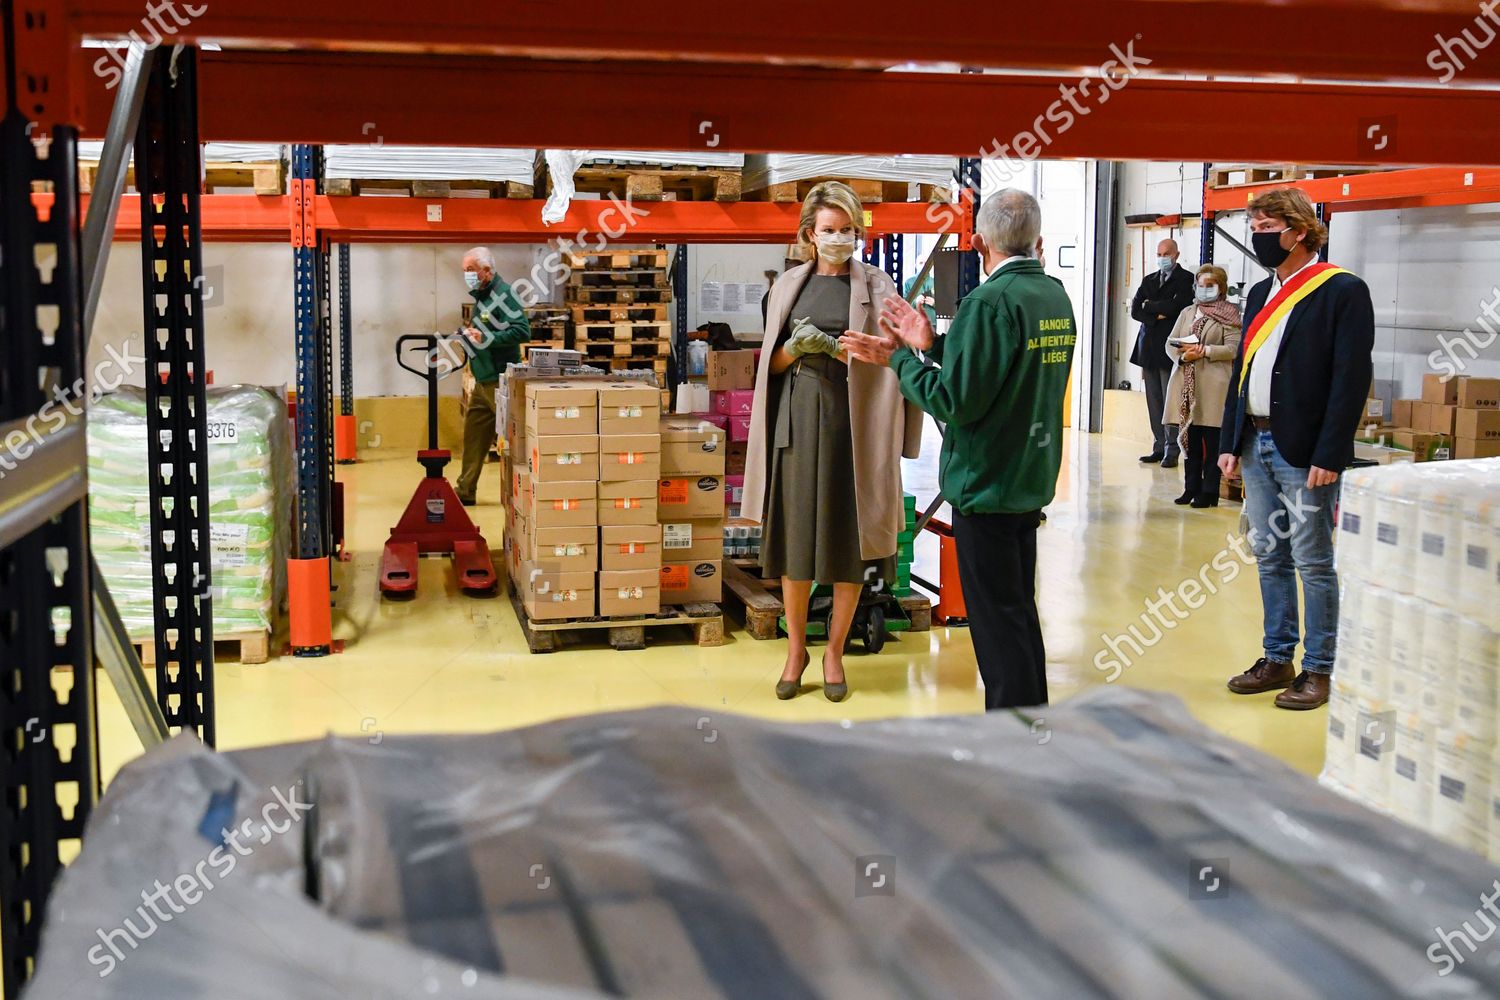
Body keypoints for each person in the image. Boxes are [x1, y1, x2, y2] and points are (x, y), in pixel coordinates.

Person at [842, 189, 1076, 711]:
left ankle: (1012, 735)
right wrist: (935, 346)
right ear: (1038, 241)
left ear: (976, 242)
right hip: (1028, 478)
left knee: (995, 625)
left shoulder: (987, 303)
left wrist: (900, 364)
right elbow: (1005, 365)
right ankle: (1032, 722)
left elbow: (956, 402)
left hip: (986, 483)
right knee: (1017, 612)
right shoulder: (1052, 296)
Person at [742, 182, 923, 703]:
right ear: (808, 235)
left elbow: (898, 360)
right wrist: (796, 350)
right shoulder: (786, 288)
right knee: (797, 544)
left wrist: (849, 356)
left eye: (848, 230)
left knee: (851, 544)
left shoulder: (881, 288)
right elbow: (770, 368)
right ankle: (796, 649)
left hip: (855, 422)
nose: (840, 238)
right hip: (798, 421)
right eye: (829, 230)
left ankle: (834, 652)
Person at [1218, 187, 1374, 711]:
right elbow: (1243, 371)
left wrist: (1331, 454)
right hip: (1255, 440)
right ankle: (1276, 656)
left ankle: (1319, 668)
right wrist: (1228, 441)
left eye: (1266, 229)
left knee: (1312, 560)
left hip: (1305, 451)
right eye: (1254, 228)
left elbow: (1350, 380)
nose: (1258, 238)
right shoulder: (1261, 294)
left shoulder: (1341, 291)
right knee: (1268, 556)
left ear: (1298, 231)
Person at [456, 247, 530, 506]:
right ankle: (465, 491)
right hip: (483, 380)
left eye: (470, 270)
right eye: (464, 271)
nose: (466, 275)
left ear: (486, 271)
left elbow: (522, 331)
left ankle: (524, 492)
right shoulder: (484, 296)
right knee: (474, 436)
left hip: (500, 382)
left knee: (513, 441)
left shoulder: (503, 294)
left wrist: (487, 338)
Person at [1164, 264, 1241, 508]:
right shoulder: (1188, 311)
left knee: (1213, 440)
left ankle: (1209, 492)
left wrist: (1205, 351)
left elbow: (1234, 348)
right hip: (1187, 384)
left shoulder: (1230, 314)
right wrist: (1185, 356)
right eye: (1201, 285)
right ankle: (1190, 488)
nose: (1204, 290)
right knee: (1190, 439)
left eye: (1210, 285)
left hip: (1214, 386)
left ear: (1220, 288)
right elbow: (1171, 343)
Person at [1130, 238, 1194, 468]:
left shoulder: (1186, 280)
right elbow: (1136, 309)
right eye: (1158, 253)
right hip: (1147, 348)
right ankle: (1158, 446)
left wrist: (1152, 306)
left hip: (1169, 349)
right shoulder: (1149, 280)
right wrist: (1155, 311)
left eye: (1166, 253)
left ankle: (1172, 449)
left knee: (1170, 401)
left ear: (1176, 254)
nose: (1162, 257)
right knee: (1154, 400)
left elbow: (1178, 308)